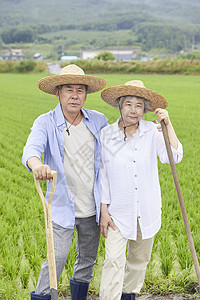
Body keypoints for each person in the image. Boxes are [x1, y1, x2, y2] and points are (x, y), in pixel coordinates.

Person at [22, 64, 108, 300]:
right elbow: (31, 149)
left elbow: (116, 147)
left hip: (93, 206)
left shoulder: (98, 121)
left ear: (86, 94)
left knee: (87, 259)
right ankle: (41, 295)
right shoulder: (45, 122)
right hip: (61, 206)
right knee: (56, 258)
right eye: (69, 89)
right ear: (57, 92)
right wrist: (36, 165)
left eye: (80, 90)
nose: (74, 95)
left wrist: (144, 130)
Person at [99, 80, 183, 300]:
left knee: (138, 261)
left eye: (139, 105)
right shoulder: (106, 135)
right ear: (119, 105)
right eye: (128, 104)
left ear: (145, 109)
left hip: (146, 210)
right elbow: (103, 175)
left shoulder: (152, 131)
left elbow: (173, 157)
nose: (133, 110)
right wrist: (104, 210)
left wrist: (168, 125)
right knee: (113, 260)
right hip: (117, 211)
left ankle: (129, 296)